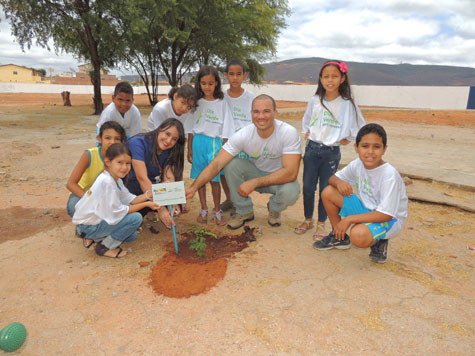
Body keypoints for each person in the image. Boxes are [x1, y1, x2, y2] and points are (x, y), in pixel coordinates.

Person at [186, 94, 302, 230]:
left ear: (275, 113)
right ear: (251, 113)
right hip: (254, 172)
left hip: (277, 178)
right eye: (256, 112)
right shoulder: (243, 135)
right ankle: (244, 210)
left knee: (292, 191)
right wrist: (194, 187)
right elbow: (216, 164)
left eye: (266, 111)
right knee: (231, 164)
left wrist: (255, 182)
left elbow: (290, 173)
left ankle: (274, 208)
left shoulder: (288, 132)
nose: (261, 116)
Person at [313, 123, 408, 263]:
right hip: (367, 209)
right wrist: (339, 183)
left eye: (376, 147)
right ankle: (339, 237)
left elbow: (386, 214)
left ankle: (379, 240)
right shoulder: (358, 164)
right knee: (328, 192)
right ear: (356, 148)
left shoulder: (389, 176)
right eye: (365, 146)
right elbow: (332, 178)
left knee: (357, 235)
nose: (370, 152)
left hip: (389, 220)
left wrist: (349, 220)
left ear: (384, 149)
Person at [294, 60, 365, 240]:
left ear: (342, 79)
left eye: (334, 76)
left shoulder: (348, 103)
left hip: (331, 153)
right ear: (320, 79)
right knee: (308, 187)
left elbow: (359, 125)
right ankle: (308, 219)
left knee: (326, 189)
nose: (330, 80)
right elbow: (307, 119)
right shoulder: (315, 100)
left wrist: (349, 138)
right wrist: (308, 132)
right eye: (326, 76)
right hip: (312, 150)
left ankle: (321, 223)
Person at [72, 143, 161, 258]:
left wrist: (149, 194)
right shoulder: (107, 182)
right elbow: (120, 210)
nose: (124, 167)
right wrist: (147, 204)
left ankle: (96, 238)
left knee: (131, 235)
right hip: (87, 227)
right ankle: (104, 247)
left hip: (94, 223)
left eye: (128, 163)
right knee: (136, 218)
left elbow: (132, 199)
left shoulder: (115, 179)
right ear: (108, 162)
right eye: (120, 162)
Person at [185, 65, 234, 226]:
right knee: (200, 178)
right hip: (198, 142)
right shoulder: (196, 103)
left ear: (217, 84)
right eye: (203, 83)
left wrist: (225, 148)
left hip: (214, 143)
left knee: (214, 179)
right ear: (199, 83)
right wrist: (189, 148)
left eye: (211, 83)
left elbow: (227, 128)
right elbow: (191, 128)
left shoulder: (222, 103)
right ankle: (204, 209)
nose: (207, 87)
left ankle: (217, 210)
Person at [125, 118, 185, 227]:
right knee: (134, 214)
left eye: (174, 139)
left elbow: (168, 177)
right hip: (133, 185)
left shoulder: (170, 149)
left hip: (152, 186)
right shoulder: (137, 143)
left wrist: (173, 201)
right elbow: (142, 178)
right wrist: (160, 207)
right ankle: (148, 210)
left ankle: (149, 209)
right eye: (167, 134)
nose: (168, 141)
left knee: (177, 207)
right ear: (160, 129)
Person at [66, 121, 126, 217]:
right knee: (75, 207)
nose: (112, 142)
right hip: (84, 193)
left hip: (106, 195)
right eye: (107, 138)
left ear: (121, 142)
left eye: (117, 139)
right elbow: (70, 184)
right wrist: (91, 199)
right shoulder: (90, 154)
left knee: (123, 208)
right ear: (99, 139)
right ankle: (84, 227)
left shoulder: (122, 158)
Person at [220, 59, 255, 212]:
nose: (235, 78)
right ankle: (230, 199)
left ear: (244, 76)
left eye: (238, 74)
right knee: (223, 172)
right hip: (225, 142)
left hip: (244, 143)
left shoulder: (251, 97)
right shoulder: (221, 97)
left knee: (239, 174)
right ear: (226, 75)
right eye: (231, 74)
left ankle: (240, 202)